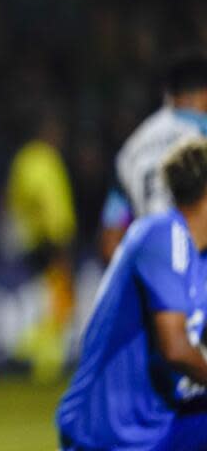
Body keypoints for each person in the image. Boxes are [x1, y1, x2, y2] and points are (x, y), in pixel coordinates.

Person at [56, 138, 207, 451]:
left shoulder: (198, 259)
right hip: (107, 435)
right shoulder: (162, 233)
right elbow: (175, 348)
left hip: (157, 428)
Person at [99, 51, 207, 263]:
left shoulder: (131, 149)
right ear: (204, 95)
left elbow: (111, 235)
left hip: (153, 268)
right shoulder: (201, 133)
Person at [6, 111, 77, 383]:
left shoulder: (23, 159)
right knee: (57, 302)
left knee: (43, 301)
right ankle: (42, 361)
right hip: (47, 242)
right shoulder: (44, 159)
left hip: (29, 240)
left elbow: (18, 198)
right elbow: (49, 202)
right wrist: (58, 243)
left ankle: (30, 352)